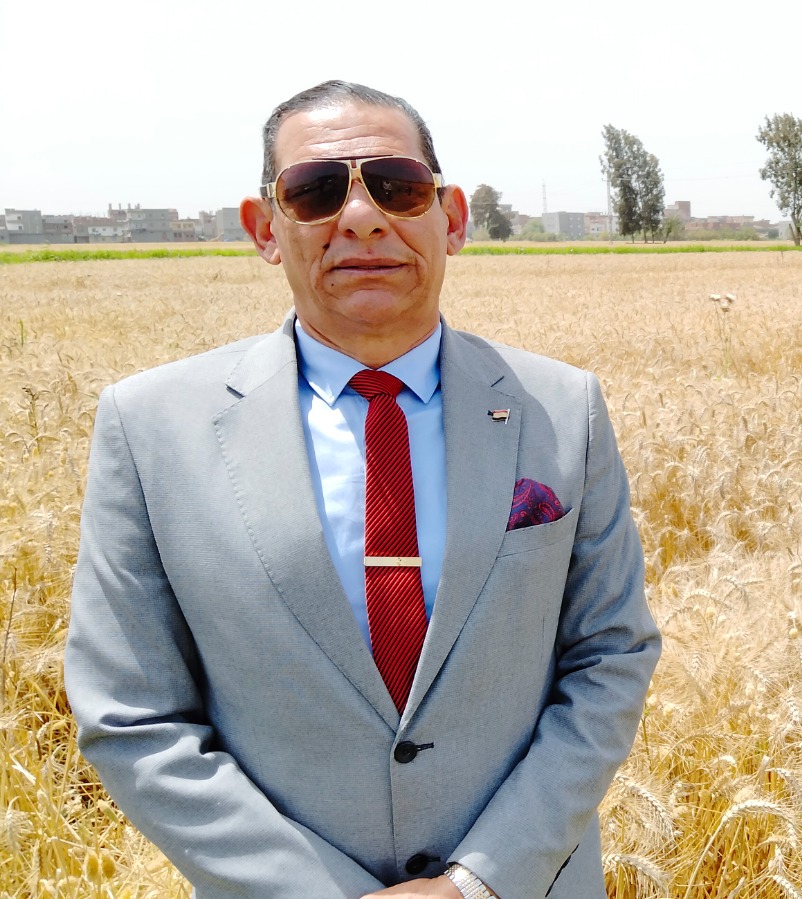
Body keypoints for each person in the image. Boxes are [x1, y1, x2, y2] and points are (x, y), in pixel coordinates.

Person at [64, 80, 661, 899]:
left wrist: (477, 883)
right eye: (315, 191)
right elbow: (131, 714)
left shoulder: (561, 409)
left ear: (452, 218)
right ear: (265, 228)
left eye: (397, 186)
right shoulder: (150, 427)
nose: (361, 217)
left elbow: (610, 655)